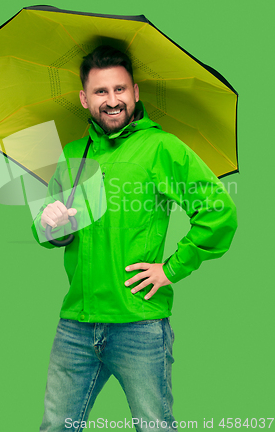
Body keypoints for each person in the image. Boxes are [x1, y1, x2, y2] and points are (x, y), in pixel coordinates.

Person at [31, 46, 237, 432]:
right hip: (75, 324)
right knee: (54, 427)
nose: (112, 101)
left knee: (154, 427)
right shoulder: (74, 154)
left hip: (138, 325)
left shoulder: (161, 148)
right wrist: (49, 222)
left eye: (120, 89)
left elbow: (219, 211)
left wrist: (172, 268)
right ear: (84, 98)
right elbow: (53, 234)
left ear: (135, 92)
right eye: (101, 92)